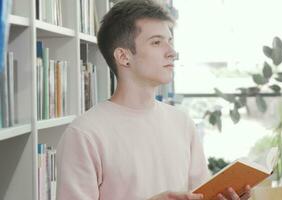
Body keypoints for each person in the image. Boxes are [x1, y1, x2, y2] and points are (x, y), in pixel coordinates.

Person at [56, 0, 251, 199]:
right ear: (123, 56)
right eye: (157, 42)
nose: (172, 53)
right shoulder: (84, 134)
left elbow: (201, 195)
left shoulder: (182, 123)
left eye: (170, 41)